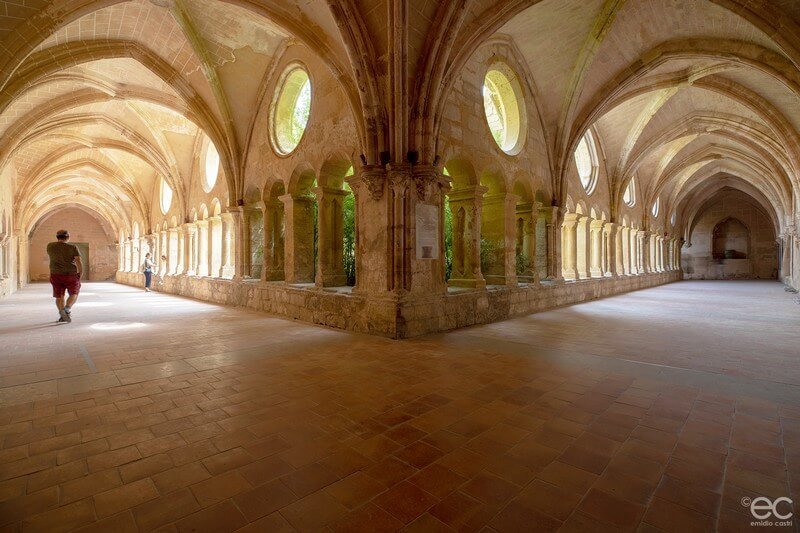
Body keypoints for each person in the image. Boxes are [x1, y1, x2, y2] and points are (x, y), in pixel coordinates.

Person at [46, 230, 82, 323]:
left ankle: (62, 315)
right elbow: (78, 260)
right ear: (68, 237)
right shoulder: (72, 247)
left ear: (57, 237)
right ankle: (67, 309)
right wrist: (80, 272)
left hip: (55, 274)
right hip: (70, 274)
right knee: (74, 293)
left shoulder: (50, 246)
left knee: (59, 296)